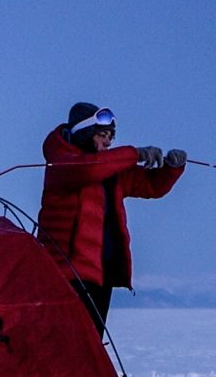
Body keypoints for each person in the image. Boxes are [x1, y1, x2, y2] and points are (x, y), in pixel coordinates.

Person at [38, 102, 186, 337]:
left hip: (99, 273)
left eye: (111, 136)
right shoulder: (63, 163)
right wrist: (135, 153)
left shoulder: (110, 172)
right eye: (103, 135)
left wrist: (171, 169)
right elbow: (88, 171)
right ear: (85, 134)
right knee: (67, 343)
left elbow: (150, 186)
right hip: (65, 273)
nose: (108, 142)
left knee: (90, 343)